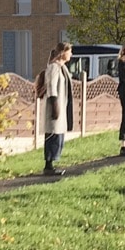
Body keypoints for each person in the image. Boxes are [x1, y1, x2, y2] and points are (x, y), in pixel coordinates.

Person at [39, 42, 74, 176]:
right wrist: (54, 105)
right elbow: (52, 87)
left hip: (61, 105)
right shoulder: (53, 68)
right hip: (55, 105)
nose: (71, 54)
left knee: (58, 134)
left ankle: (53, 162)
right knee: (53, 133)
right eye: (69, 51)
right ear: (62, 52)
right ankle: (48, 165)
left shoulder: (62, 68)